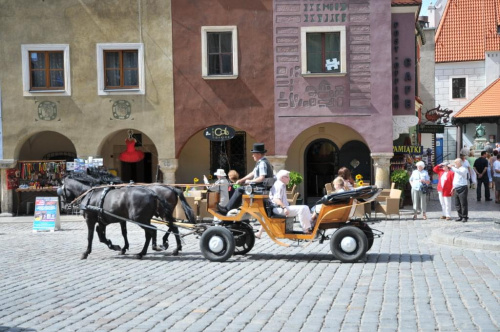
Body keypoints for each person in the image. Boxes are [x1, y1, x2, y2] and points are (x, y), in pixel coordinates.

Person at [217, 143, 273, 215]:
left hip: (260, 188)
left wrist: (250, 181)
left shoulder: (262, 163)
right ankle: (233, 209)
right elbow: (253, 173)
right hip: (262, 188)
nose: (252, 156)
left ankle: (227, 209)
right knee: (241, 188)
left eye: (254, 154)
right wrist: (241, 180)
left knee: (239, 189)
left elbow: (261, 178)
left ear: (258, 154)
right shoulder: (262, 162)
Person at [256, 170, 312, 239]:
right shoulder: (279, 185)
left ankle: (309, 226)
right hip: (278, 209)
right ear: (282, 178)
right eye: (287, 177)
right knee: (303, 208)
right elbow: (276, 199)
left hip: (279, 207)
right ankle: (306, 230)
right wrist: (284, 208)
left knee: (305, 207)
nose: (289, 179)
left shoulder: (281, 184)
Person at [450, 158, 469, 222]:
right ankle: (460, 215)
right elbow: (455, 180)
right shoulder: (456, 170)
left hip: (462, 187)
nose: (455, 164)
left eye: (456, 163)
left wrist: (452, 167)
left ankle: (464, 216)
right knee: (457, 204)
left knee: (463, 203)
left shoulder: (464, 169)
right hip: (456, 187)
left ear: (459, 163)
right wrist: (453, 188)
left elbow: (460, 173)